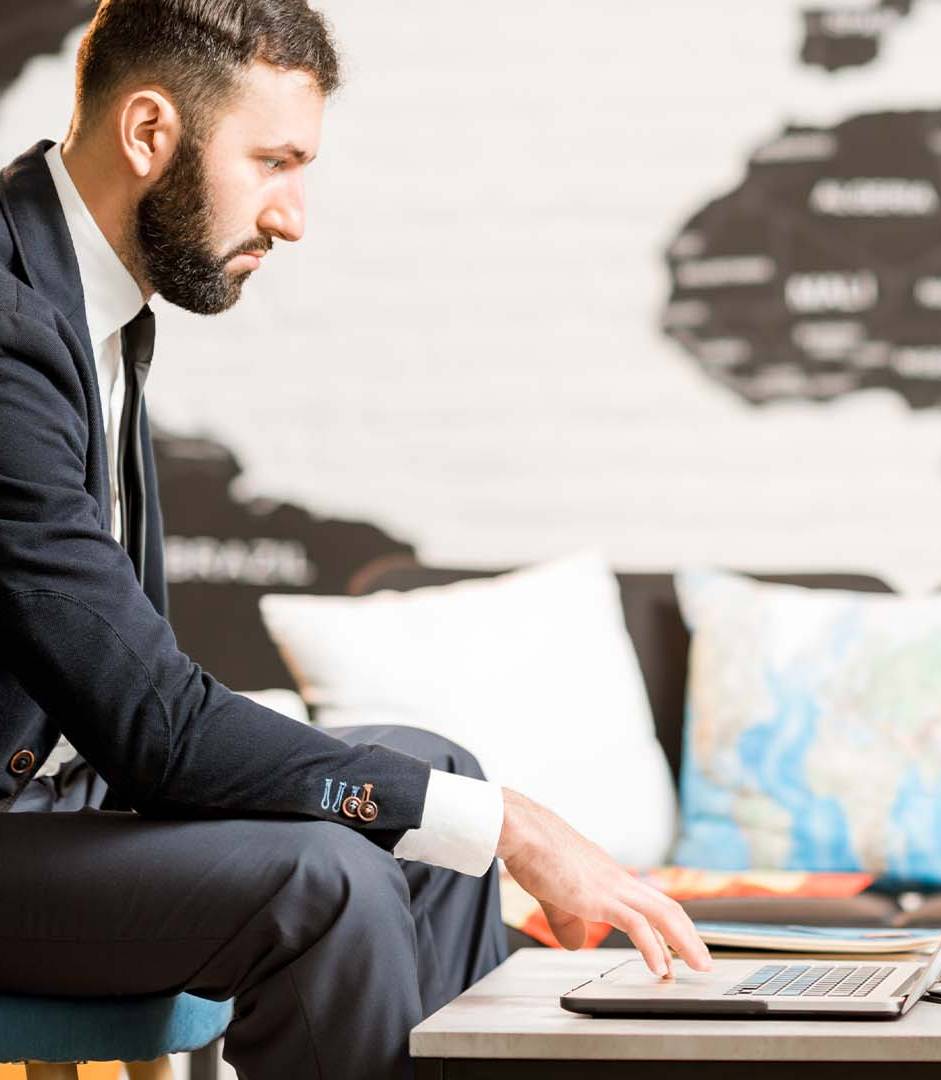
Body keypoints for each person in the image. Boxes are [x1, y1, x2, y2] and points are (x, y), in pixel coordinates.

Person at [0, 2, 711, 1077]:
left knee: (439, 776)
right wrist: (511, 824)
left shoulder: (94, 300)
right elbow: (156, 725)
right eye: (273, 162)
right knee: (338, 881)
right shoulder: (11, 329)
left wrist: (474, 811)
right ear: (149, 133)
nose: (292, 218)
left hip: (66, 803)